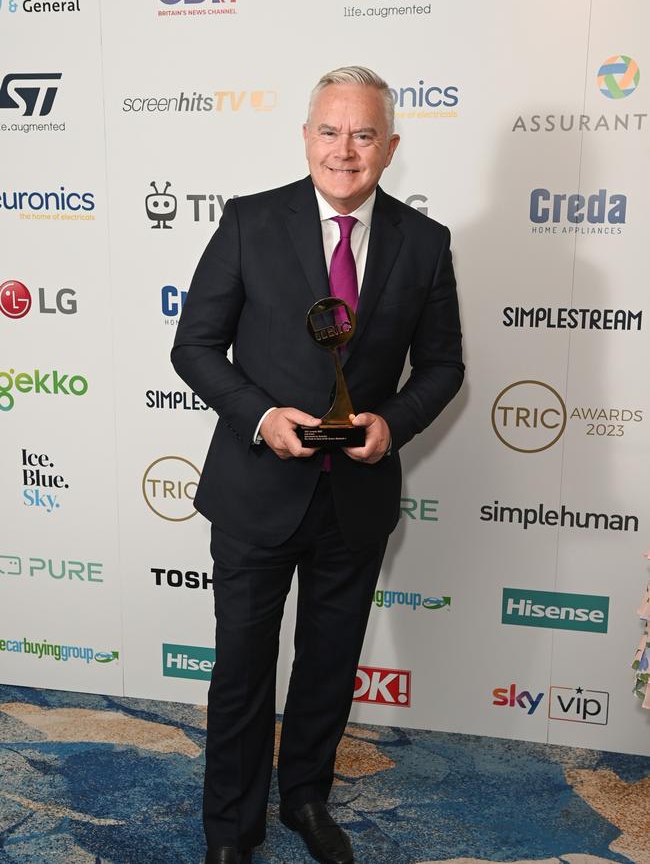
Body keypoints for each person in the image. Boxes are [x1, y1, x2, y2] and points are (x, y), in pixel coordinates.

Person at [171, 65, 464, 864]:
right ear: (306, 138)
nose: (345, 149)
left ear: (390, 145)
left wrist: (392, 423)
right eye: (330, 131)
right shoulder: (248, 223)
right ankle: (230, 830)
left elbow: (443, 366)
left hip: (357, 496)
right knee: (241, 671)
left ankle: (304, 796)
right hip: (255, 491)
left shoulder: (425, 242)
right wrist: (262, 416)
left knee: (331, 664)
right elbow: (193, 346)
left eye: (364, 133)